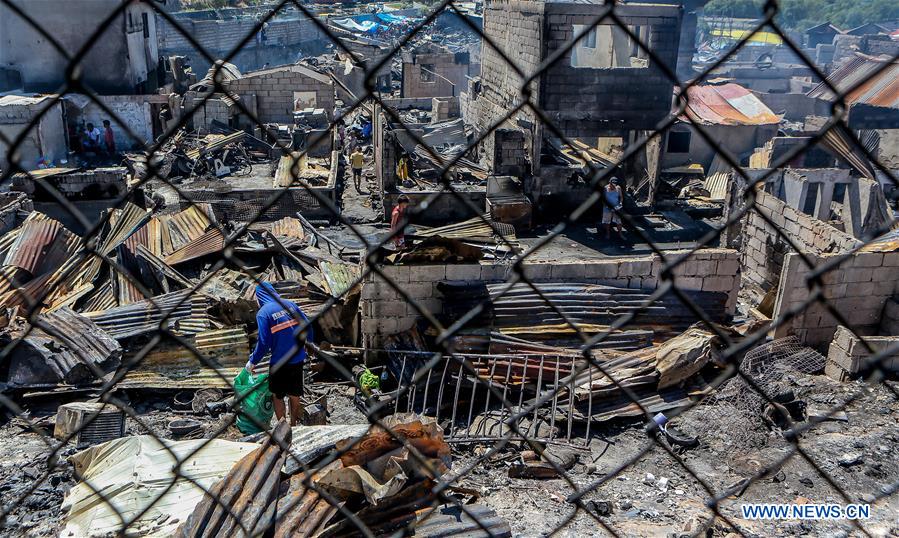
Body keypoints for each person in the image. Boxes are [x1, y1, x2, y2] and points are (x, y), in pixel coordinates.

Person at [245, 282, 314, 426]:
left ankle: (283, 426)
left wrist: (253, 361)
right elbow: (308, 325)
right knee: (295, 394)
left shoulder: (263, 313)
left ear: (260, 296)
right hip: (297, 359)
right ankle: (294, 424)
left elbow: (264, 343)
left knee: (277, 395)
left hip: (279, 362)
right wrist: (310, 344)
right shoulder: (290, 304)